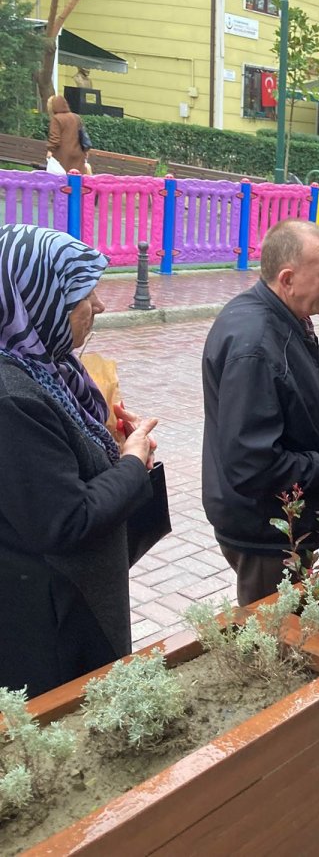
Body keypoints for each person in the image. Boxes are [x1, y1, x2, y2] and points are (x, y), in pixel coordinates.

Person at [0, 225, 160, 696]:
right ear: (40, 299)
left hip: (75, 594)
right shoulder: (13, 397)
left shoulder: (50, 367)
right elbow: (65, 519)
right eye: (83, 294)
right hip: (53, 617)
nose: (100, 305)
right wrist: (131, 463)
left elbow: (64, 460)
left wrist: (113, 443)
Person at [202, 220, 319, 606]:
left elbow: (288, 411)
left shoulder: (285, 317)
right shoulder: (255, 344)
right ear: (287, 279)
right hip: (265, 530)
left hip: (280, 521)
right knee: (275, 638)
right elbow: (251, 464)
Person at [46, 95, 88, 174]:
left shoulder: (56, 118)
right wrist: (85, 151)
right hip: (78, 153)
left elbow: (55, 138)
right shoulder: (76, 117)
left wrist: (50, 150)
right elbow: (82, 136)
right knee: (76, 180)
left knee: (62, 181)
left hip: (63, 155)